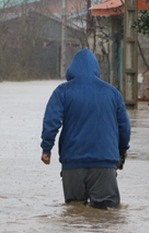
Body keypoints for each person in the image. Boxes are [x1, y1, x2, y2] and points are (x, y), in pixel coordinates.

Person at [40, 48, 131, 209]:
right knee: (106, 214)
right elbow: (124, 126)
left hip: (73, 164)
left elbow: (51, 121)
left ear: (72, 69)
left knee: (75, 212)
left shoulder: (63, 91)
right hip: (104, 163)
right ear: (96, 69)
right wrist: (121, 151)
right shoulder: (112, 92)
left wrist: (46, 149)